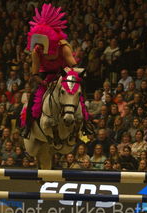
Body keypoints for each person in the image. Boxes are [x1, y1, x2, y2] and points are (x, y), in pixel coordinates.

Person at [21, 3, 93, 138]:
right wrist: (43, 83)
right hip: (45, 75)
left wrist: (72, 75)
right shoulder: (36, 52)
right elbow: (34, 74)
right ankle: (28, 126)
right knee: (32, 97)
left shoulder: (63, 47)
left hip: (64, 72)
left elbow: (73, 65)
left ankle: (86, 124)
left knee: (77, 92)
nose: (40, 47)